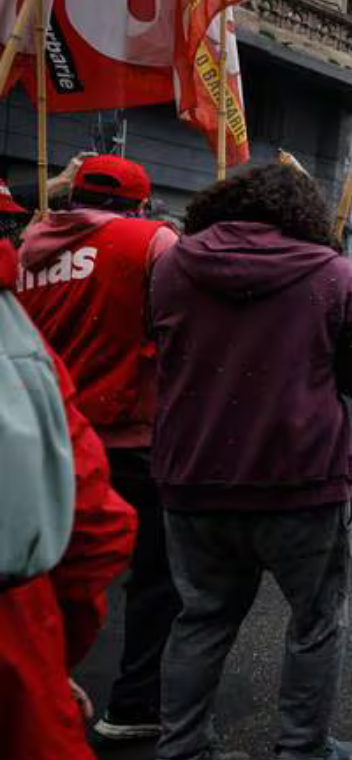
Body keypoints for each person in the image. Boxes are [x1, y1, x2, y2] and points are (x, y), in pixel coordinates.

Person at [148, 164, 352, 760]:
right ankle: (302, 749)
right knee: (317, 622)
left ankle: (183, 748)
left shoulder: (171, 266)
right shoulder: (335, 276)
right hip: (303, 482)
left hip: (193, 477)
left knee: (201, 618)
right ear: (303, 214)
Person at [13, 154, 181, 742]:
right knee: (155, 578)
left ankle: (48, 684)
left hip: (41, 434)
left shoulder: (30, 241)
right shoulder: (153, 241)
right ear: (140, 202)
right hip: (128, 438)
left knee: (40, 576)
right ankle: (133, 705)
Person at [0, 237, 138, 760]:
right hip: (112, 434)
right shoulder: (146, 246)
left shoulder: (32, 255)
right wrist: (51, 658)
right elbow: (95, 533)